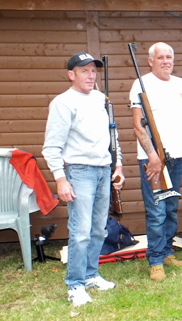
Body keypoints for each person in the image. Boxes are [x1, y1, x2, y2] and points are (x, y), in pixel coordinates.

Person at [43, 52, 125, 306]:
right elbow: (51, 147)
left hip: (104, 170)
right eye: (84, 71)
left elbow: (113, 136)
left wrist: (118, 164)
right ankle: (75, 285)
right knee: (80, 232)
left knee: (98, 229)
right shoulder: (63, 103)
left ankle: (91, 275)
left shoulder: (102, 99)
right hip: (79, 172)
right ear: (71, 74)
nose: (91, 76)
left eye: (93, 71)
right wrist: (60, 179)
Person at [130, 42, 182, 281]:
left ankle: (167, 251)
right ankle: (155, 260)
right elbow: (138, 125)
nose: (166, 61)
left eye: (169, 57)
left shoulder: (180, 84)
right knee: (156, 211)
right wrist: (153, 157)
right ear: (150, 61)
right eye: (161, 57)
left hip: (176, 157)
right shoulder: (141, 83)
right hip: (153, 159)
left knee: (171, 208)